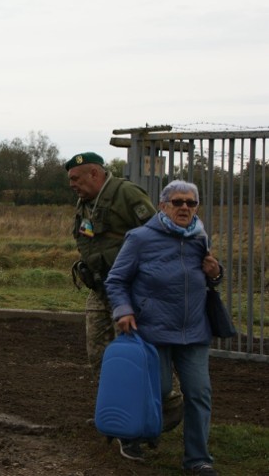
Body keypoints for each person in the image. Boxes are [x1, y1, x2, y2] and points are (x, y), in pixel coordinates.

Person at [66, 151, 184, 458]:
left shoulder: (126, 193)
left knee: (137, 357)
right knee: (99, 354)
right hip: (99, 288)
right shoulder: (85, 203)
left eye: (76, 179)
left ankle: (162, 411)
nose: (73, 185)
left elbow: (159, 233)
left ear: (95, 174)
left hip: (131, 291)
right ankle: (116, 409)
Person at [106, 181, 222, 475]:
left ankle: (197, 458)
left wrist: (216, 274)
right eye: (178, 202)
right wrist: (124, 310)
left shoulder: (199, 238)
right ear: (162, 205)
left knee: (199, 393)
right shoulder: (140, 238)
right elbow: (116, 280)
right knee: (158, 388)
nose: (184, 207)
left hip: (194, 329)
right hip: (152, 329)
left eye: (191, 203)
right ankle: (132, 434)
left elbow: (205, 279)